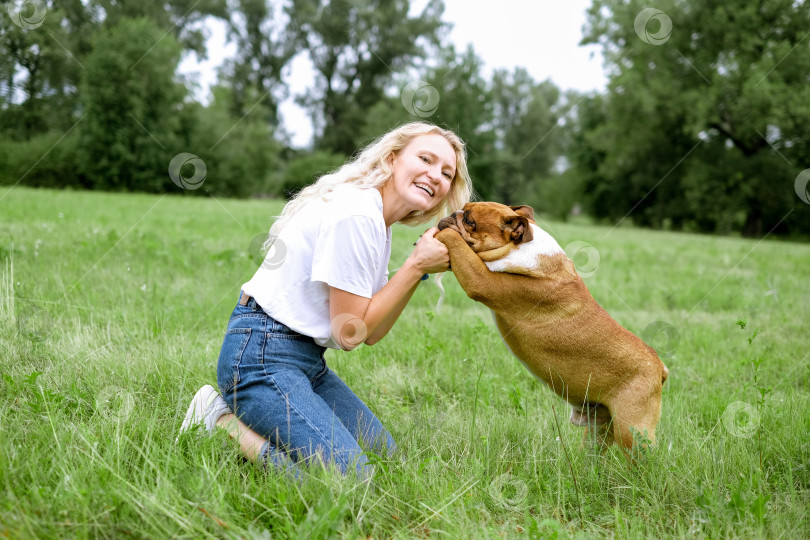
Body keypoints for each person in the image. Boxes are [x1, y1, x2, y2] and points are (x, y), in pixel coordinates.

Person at [177, 122, 473, 479]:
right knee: (350, 479)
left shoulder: (379, 224)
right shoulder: (357, 214)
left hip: (306, 362)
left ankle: (263, 419)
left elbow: (372, 331)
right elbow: (350, 334)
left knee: (385, 458)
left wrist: (418, 270)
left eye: (446, 173)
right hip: (261, 357)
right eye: (425, 159)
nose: (435, 176)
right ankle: (219, 419)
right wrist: (414, 266)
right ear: (392, 159)